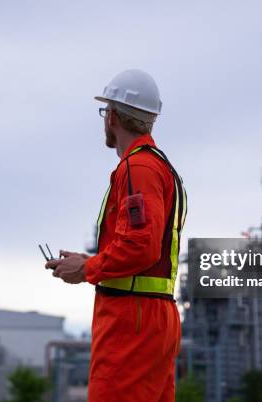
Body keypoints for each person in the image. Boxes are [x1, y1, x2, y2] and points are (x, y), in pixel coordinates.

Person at [46, 69, 187, 402]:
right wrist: (90, 262)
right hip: (154, 318)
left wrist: (87, 270)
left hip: (131, 322)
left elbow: (141, 246)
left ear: (112, 117)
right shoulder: (162, 168)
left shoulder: (137, 168)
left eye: (104, 112)